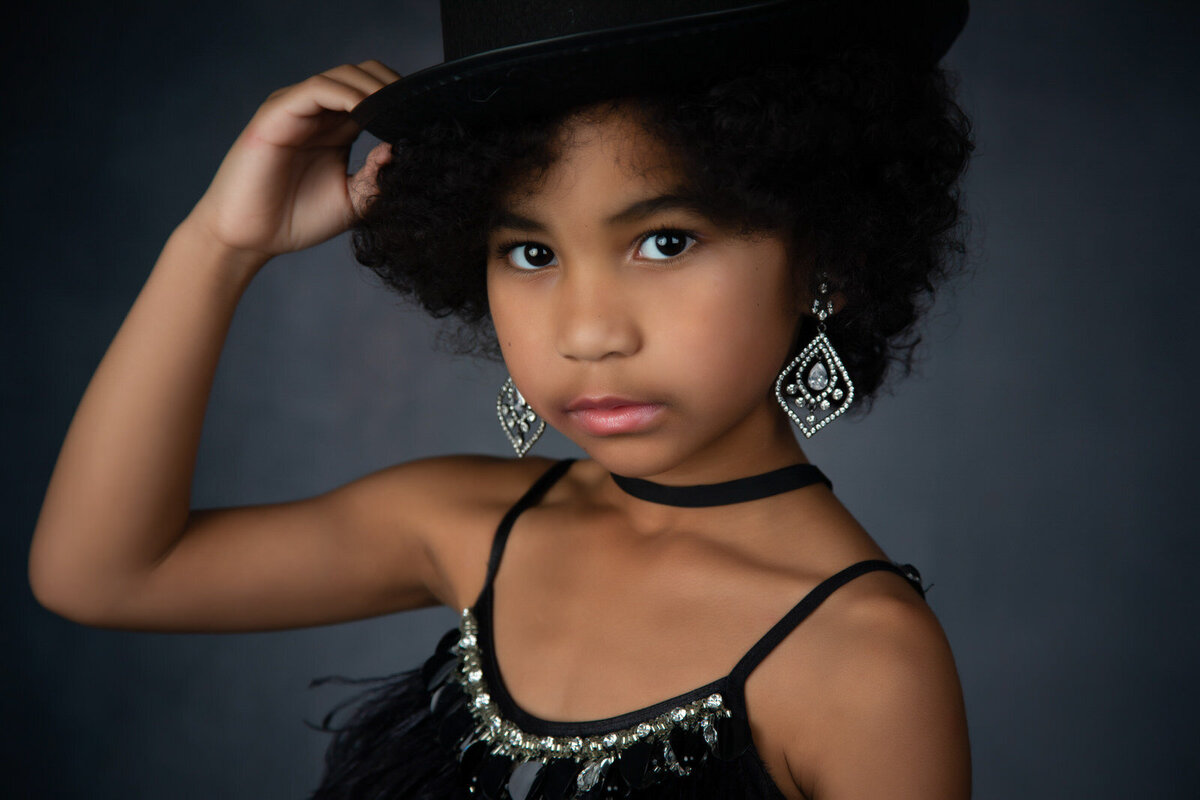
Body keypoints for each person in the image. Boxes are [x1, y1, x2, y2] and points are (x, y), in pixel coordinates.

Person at [28, 1, 975, 798]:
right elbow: (99, 574)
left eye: (667, 242)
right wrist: (219, 246)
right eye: (532, 253)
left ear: (832, 256)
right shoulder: (465, 523)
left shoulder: (865, 663)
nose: (587, 331)